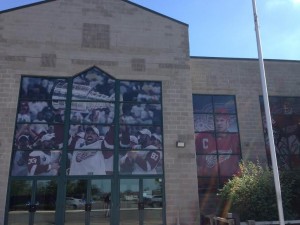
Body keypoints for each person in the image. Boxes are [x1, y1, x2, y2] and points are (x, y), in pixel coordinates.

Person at [195, 109, 240, 177]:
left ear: (228, 122)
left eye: (222, 120)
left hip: (231, 179)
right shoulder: (202, 136)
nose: (219, 123)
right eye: (216, 120)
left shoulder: (235, 138)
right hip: (205, 179)